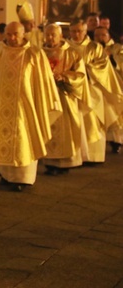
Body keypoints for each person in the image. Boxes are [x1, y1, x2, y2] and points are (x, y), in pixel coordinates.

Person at [0, 22, 61, 191]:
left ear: (23, 34)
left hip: (25, 106)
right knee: (2, 138)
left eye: (15, 34)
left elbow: (43, 82)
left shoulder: (34, 53)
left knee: (23, 139)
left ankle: (22, 178)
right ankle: (5, 174)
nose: (12, 38)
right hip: (1, 105)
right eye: (9, 34)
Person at [67, 18, 123, 164]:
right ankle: (76, 155)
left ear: (86, 31)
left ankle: (93, 156)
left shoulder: (94, 47)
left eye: (80, 31)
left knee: (93, 120)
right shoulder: (65, 46)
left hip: (92, 89)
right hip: (72, 91)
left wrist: (85, 70)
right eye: (73, 31)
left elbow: (103, 66)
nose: (76, 34)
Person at [41, 23, 88, 175]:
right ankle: (49, 162)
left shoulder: (71, 53)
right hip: (46, 96)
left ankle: (65, 162)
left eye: (53, 35)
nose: (49, 38)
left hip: (65, 97)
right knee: (48, 126)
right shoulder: (39, 53)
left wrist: (64, 77)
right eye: (47, 34)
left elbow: (80, 74)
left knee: (65, 128)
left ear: (60, 36)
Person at [94, 27, 123, 152]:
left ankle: (117, 141)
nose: (101, 38)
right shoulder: (92, 48)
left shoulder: (117, 48)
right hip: (99, 84)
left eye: (103, 35)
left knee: (115, 110)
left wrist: (111, 58)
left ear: (108, 36)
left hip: (115, 83)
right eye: (98, 35)